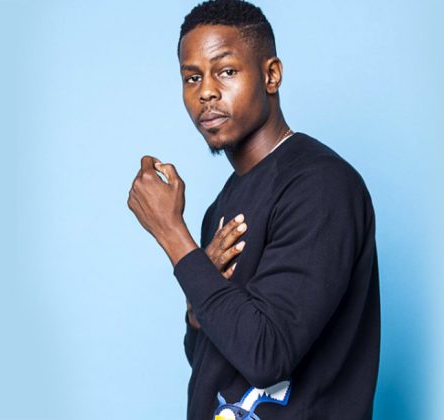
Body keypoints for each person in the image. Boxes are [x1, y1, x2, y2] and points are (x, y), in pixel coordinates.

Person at [127, 0, 381, 418]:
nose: (206, 91)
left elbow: (266, 355)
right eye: (192, 77)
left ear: (271, 75)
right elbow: (210, 361)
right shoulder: (220, 207)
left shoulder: (321, 186)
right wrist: (197, 299)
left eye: (226, 71)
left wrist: (172, 235)